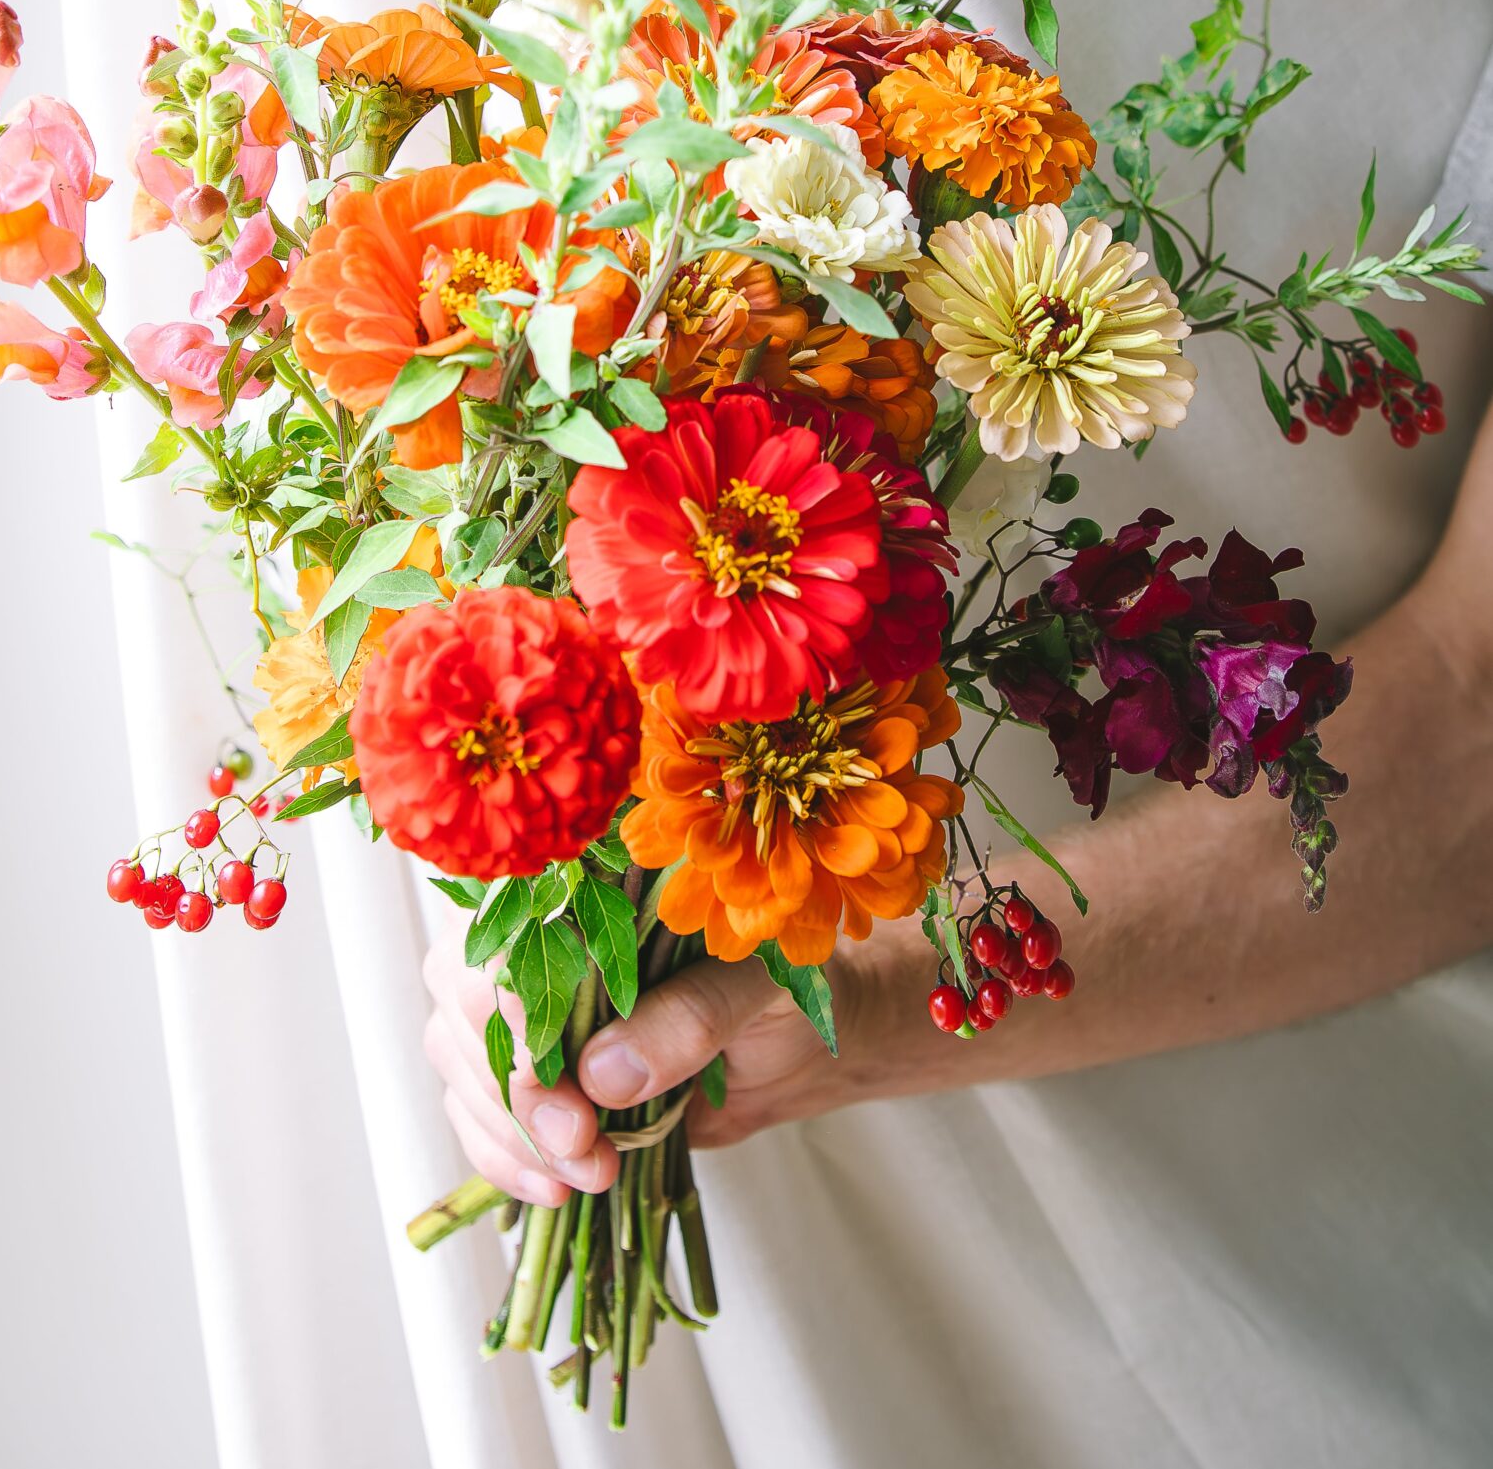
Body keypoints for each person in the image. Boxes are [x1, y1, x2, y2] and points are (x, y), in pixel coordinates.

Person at [424, 402, 1493, 1210]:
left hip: (1199, 1108)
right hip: (650, 1011)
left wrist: (872, 1009)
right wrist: (539, 938)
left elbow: (1475, 707)